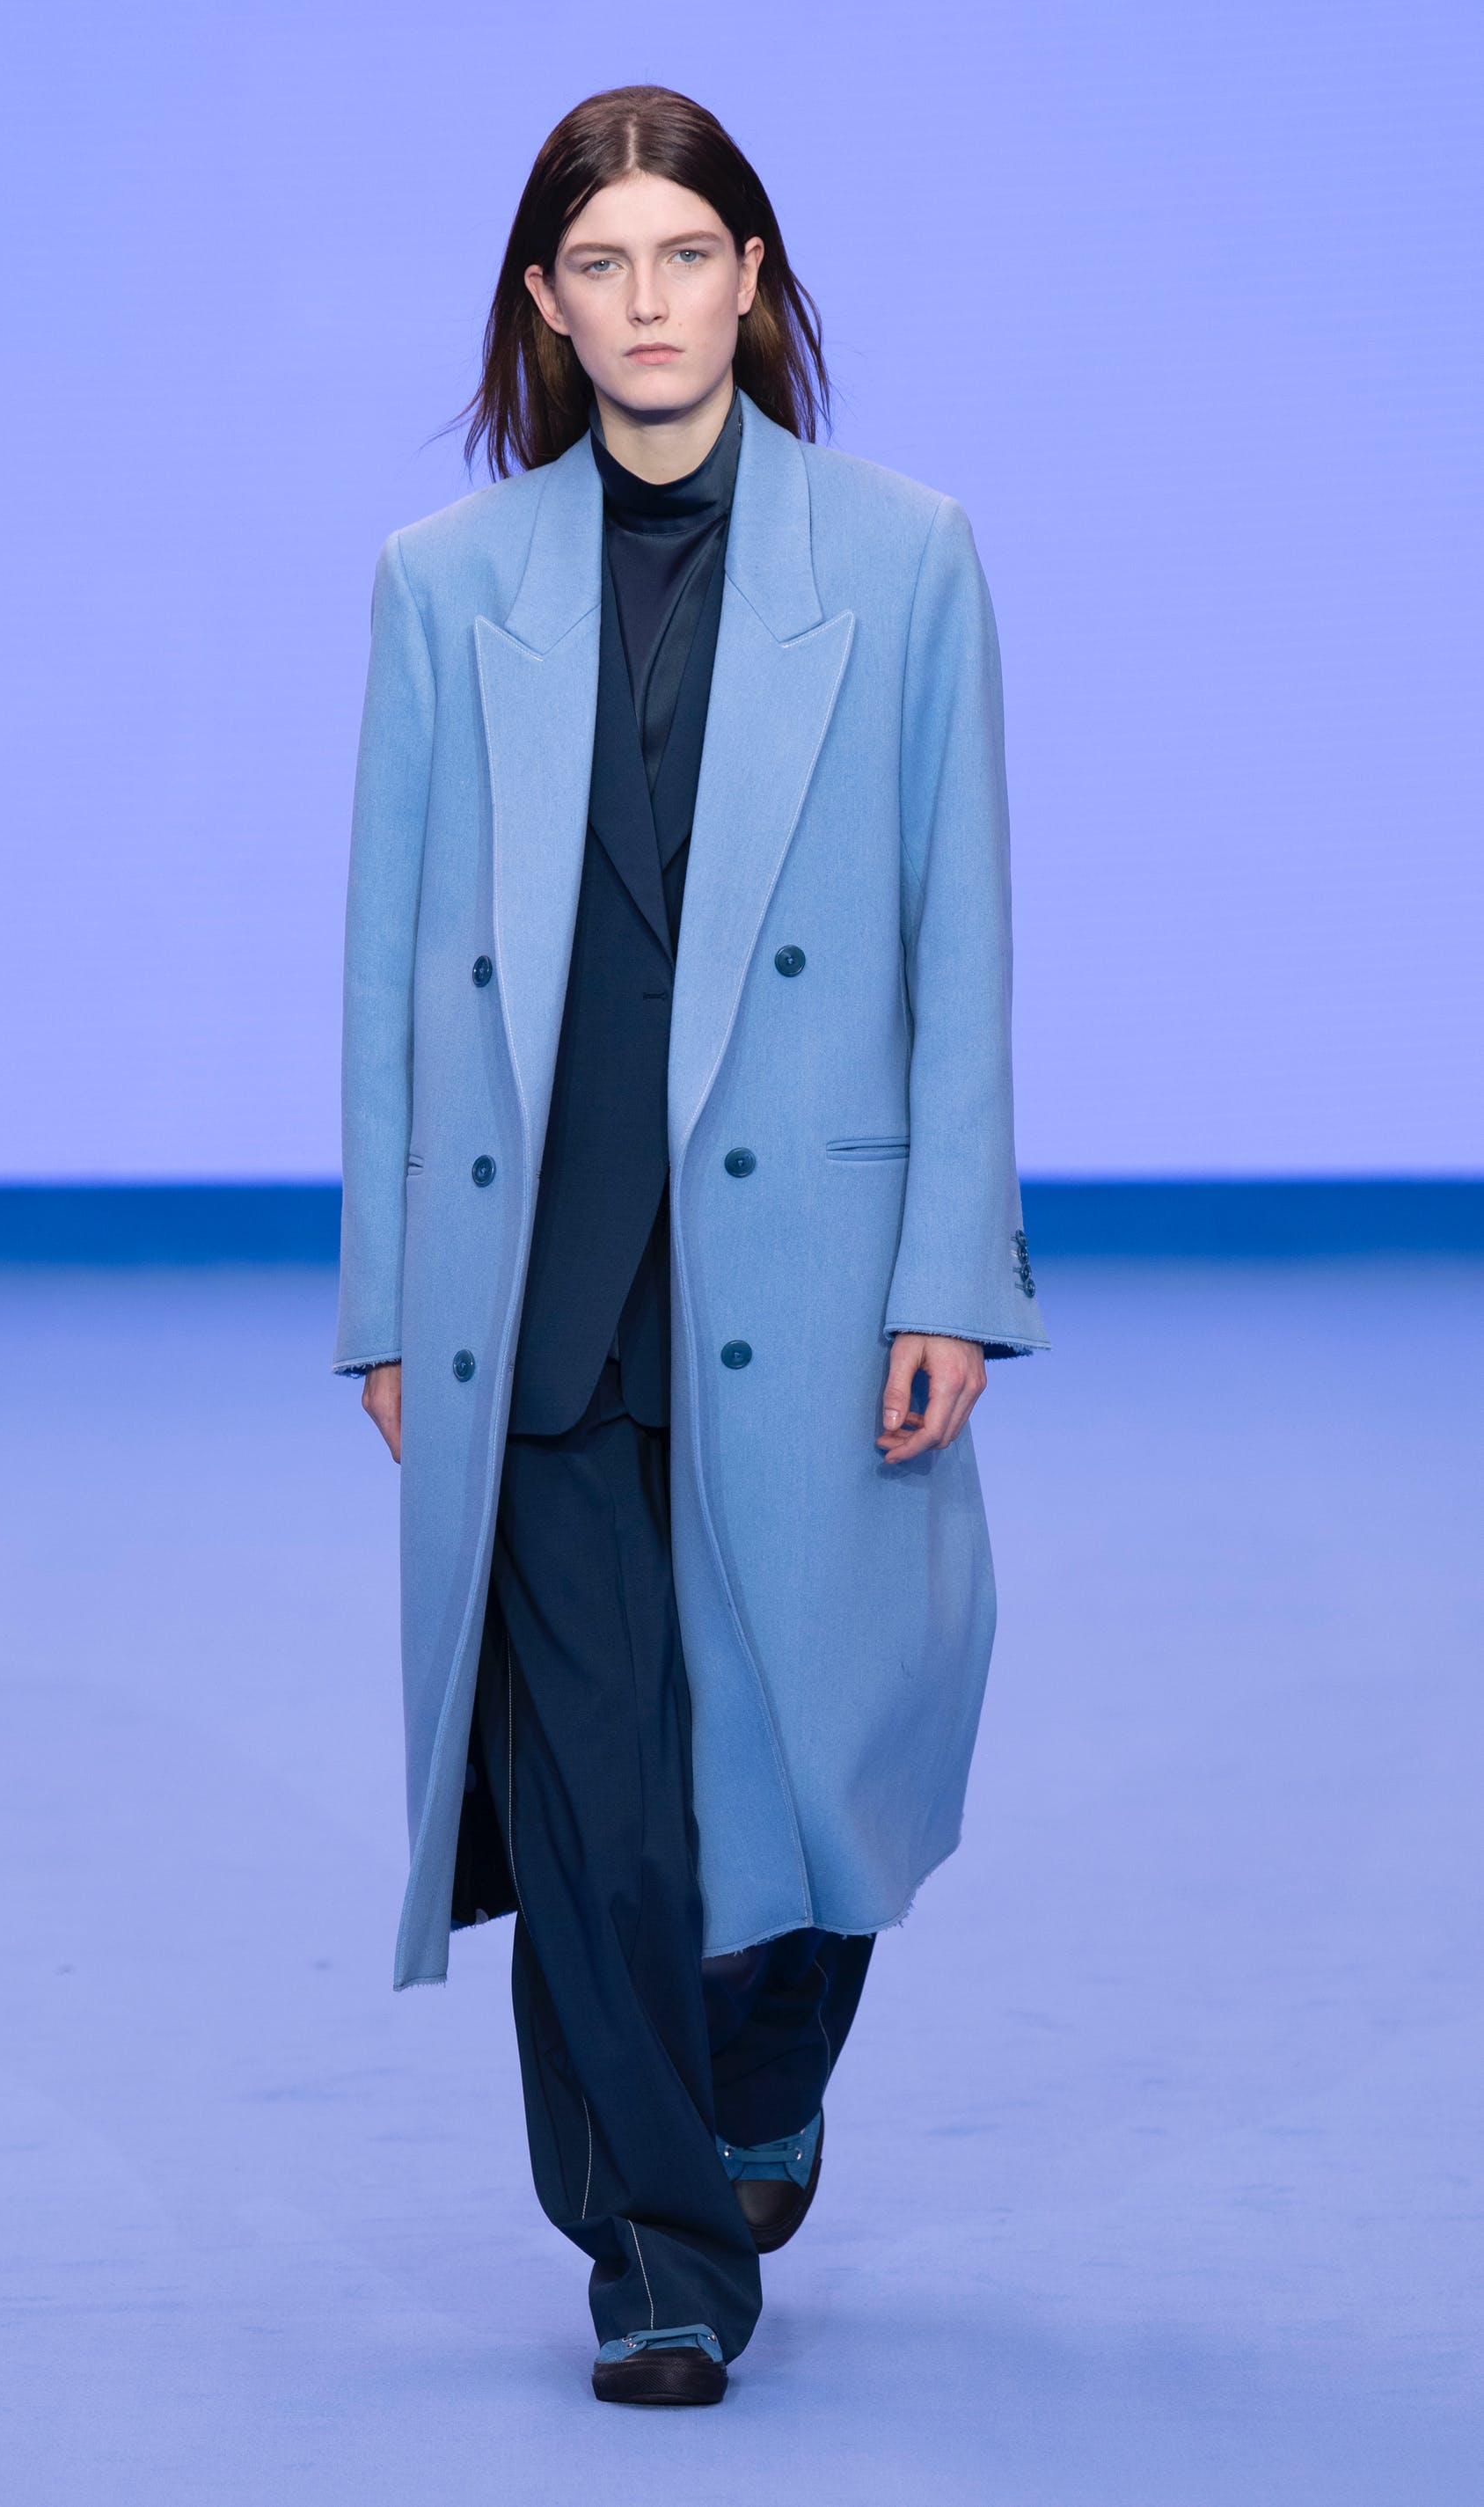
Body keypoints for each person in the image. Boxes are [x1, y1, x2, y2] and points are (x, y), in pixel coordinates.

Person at [334, 84, 1048, 2407]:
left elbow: (958, 931)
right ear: (544, 304)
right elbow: (392, 966)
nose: (645, 302)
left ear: (752, 277)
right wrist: (387, 1300)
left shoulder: (904, 558)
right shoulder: (447, 586)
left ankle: (766, 2068)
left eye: (684, 254)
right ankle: (659, 2258)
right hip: (534, 1286)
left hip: (810, 1271)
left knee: (828, 1761)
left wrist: (950, 1272)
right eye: (599, 263)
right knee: (598, 1801)